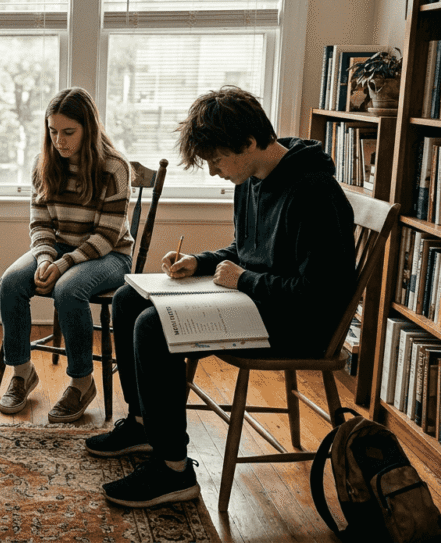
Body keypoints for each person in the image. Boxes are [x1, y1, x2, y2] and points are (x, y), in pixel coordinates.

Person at [90, 86, 356, 508]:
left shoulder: (314, 192)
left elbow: (320, 295)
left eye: (216, 159)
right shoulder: (251, 177)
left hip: (297, 324)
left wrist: (245, 280)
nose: (214, 171)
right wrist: (200, 261)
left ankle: (173, 470)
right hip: (257, 303)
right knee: (128, 300)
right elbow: (247, 252)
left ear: (249, 142)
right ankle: (143, 425)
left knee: (154, 326)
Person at [0, 87, 134, 423]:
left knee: (68, 289)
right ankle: (22, 372)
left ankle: (81, 382)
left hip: (110, 254)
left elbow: (106, 236)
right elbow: (40, 224)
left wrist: (63, 263)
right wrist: (45, 258)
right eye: (53, 131)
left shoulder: (115, 168)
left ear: (89, 128)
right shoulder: (43, 164)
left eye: (69, 132)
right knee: (11, 283)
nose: (60, 140)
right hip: (59, 248)